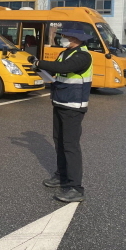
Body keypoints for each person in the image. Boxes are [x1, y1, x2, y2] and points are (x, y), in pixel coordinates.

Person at [28, 27, 93, 203]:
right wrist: (40, 71)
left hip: (73, 105)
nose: (62, 38)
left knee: (70, 146)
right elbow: (57, 72)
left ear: (76, 38)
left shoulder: (83, 56)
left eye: (65, 36)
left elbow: (64, 67)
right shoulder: (65, 52)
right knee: (59, 142)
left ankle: (75, 187)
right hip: (60, 101)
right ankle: (61, 176)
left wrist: (40, 63)